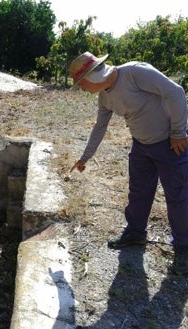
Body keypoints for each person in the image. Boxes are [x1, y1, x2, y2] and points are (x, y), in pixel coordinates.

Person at [68, 51, 188, 275]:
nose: (83, 90)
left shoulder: (134, 73)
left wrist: (179, 132)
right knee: (138, 191)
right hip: (141, 146)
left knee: (177, 196)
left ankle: (184, 247)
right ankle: (135, 232)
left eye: (81, 84)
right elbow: (99, 127)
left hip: (171, 144)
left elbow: (176, 92)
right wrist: (85, 157)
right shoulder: (104, 97)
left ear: (92, 77)